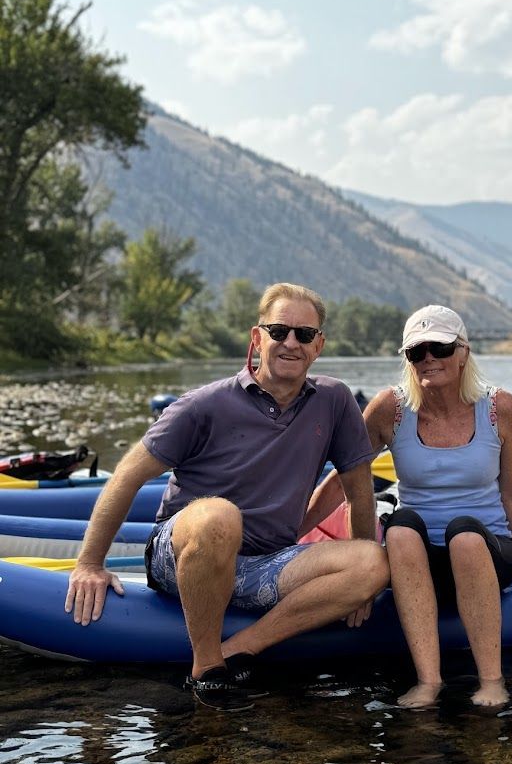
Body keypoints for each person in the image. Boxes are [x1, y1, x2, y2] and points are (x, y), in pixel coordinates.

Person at [65, 283, 389, 709]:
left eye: (304, 335)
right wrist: (89, 564)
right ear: (258, 338)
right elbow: (126, 475)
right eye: (280, 331)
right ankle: (207, 668)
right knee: (219, 517)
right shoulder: (204, 404)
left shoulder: (334, 401)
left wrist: (360, 590)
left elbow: (359, 490)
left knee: (372, 560)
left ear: (319, 345)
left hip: (267, 564)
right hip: (184, 552)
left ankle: (241, 648)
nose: (291, 342)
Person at [308, 305, 512, 709]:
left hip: (486, 551)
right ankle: (428, 682)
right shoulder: (390, 409)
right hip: (418, 560)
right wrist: (294, 533)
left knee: (465, 534)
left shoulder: (499, 408)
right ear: (408, 360)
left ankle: (491, 680)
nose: (429, 358)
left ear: (464, 352)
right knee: (398, 526)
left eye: (440, 347)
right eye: (417, 352)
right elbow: (344, 479)